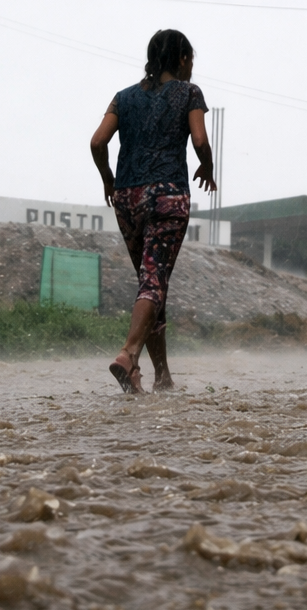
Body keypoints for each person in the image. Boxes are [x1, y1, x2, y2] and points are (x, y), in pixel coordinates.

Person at [89, 29, 216, 393]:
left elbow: (98, 141)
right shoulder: (189, 93)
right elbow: (200, 140)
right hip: (167, 195)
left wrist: (108, 178)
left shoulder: (123, 97)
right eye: (190, 59)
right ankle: (129, 356)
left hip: (127, 197)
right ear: (181, 59)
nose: (192, 67)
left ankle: (162, 377)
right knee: (154, 280)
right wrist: (207, 167)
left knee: (151, 280)